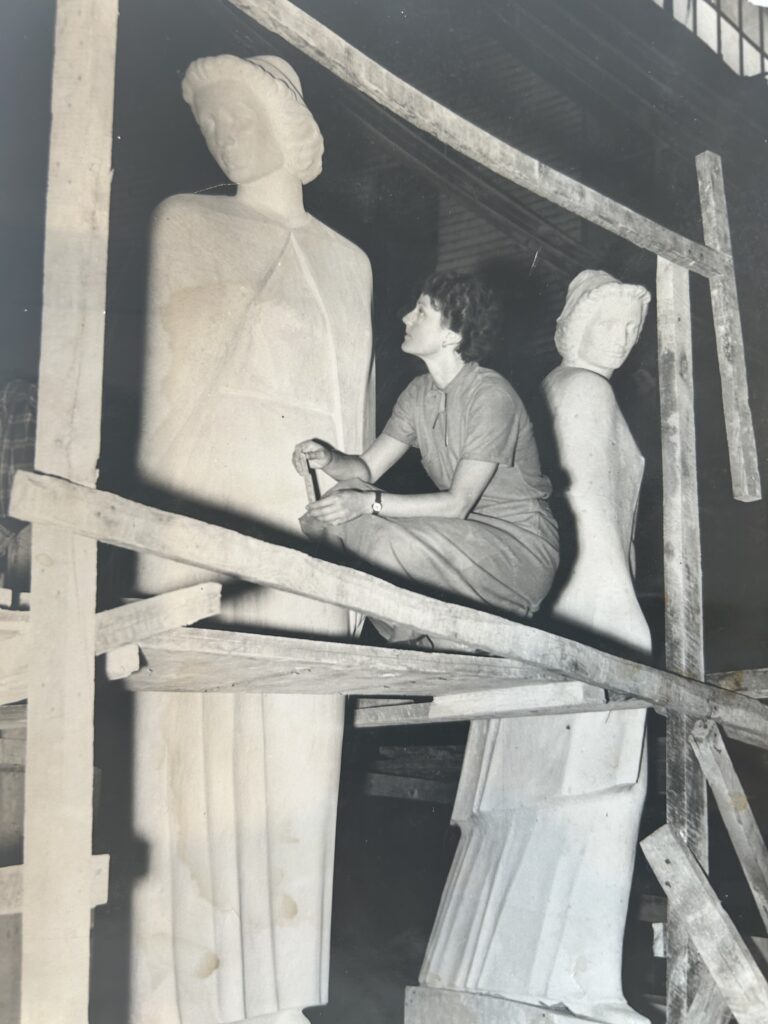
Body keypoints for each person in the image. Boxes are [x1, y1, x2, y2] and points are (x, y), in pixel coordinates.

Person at [293, 270, 558, 642]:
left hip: (517, 550)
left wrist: (368, 504)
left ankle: (422, 631)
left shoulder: (491, 396)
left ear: (452, 335)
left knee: (380, 535)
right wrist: (329, 459)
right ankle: (428, 631)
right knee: (338, 505)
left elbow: (457, 504)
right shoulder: (419, 393)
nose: (406, 318)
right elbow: (367, 468)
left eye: (420, 312)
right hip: (460, 537)